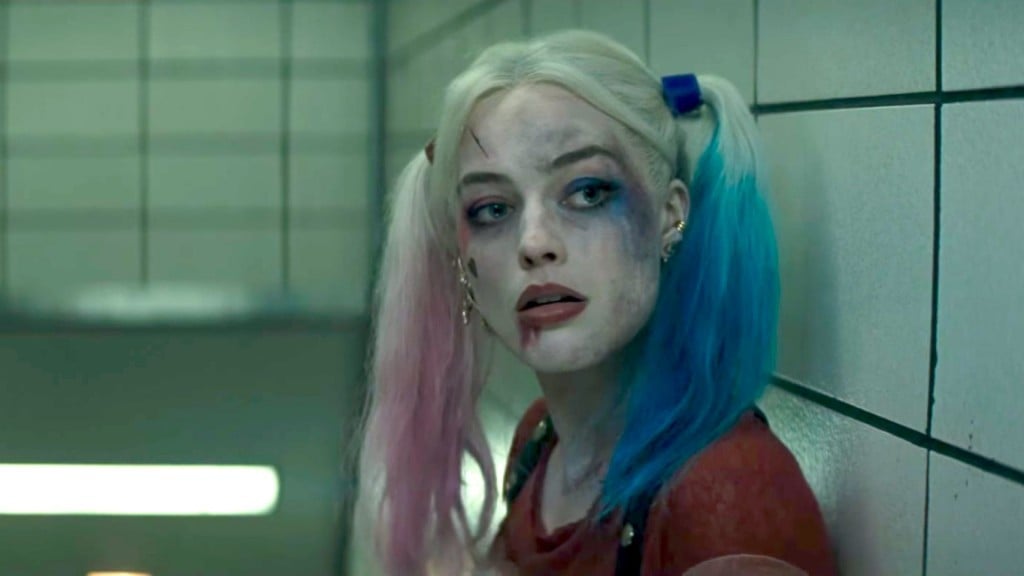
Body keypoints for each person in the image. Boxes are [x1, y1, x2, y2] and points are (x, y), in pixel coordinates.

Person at [358, 30, 836, 576]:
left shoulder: (730, 493)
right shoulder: (541, 442)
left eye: (587, 192)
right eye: (492, 208)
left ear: (670, 217)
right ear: (462, 261)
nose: (534, 243)